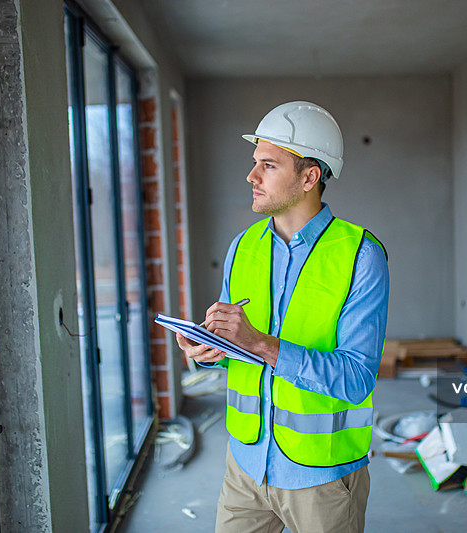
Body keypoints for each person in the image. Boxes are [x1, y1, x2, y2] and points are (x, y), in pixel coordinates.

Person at [176, 101, 389, 533]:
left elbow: (356, 379)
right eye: (255, 163)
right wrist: (209, 348)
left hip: (322, 478)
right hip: (246, 466)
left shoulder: (361, 256)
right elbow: (237, 345)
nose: (251, 177)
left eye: (268, 166)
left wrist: (259, 343)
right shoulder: (243, 247)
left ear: (309, 177)